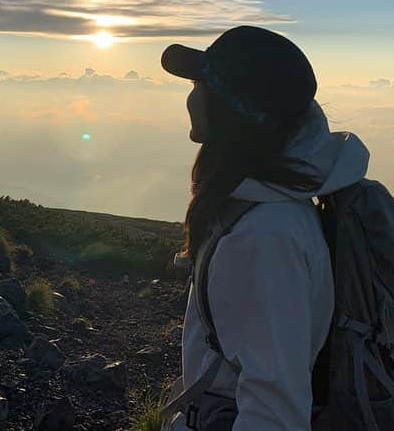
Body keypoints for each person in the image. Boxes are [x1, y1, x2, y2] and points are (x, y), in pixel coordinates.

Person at [160, 25, 374, 431]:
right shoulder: (264, 208)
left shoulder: (263, 237)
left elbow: (275, 413)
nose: (191, 96)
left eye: (198, 83)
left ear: (233, 108)